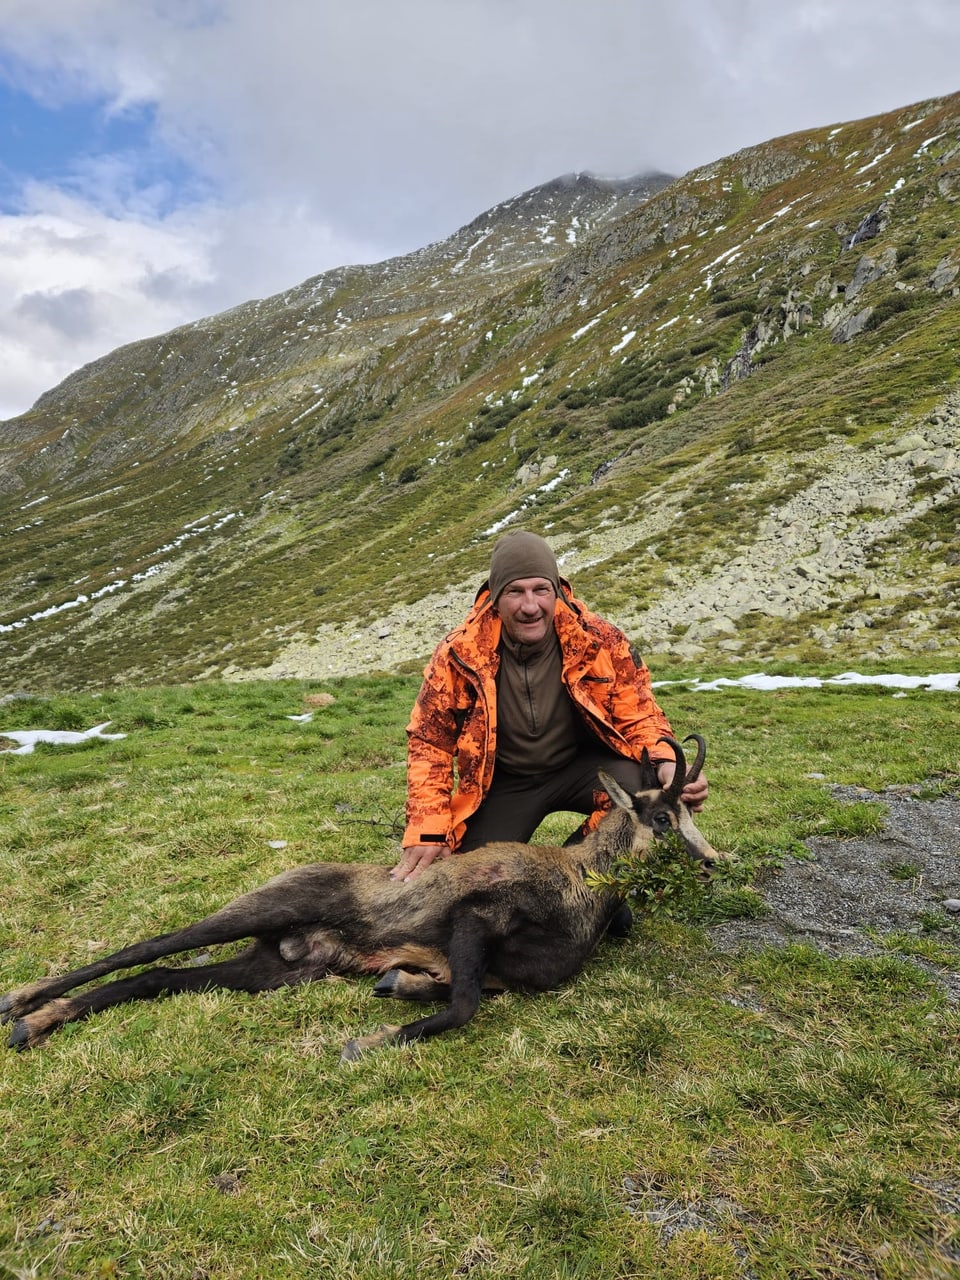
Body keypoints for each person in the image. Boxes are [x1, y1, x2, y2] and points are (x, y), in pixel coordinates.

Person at [391, 529, 707, 882]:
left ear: (556, 591)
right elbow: (428, 741)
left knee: (640, 791)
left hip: (583, 769)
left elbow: (640, 712)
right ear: (495, 598)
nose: (530, 606)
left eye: (541, 589)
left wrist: (665, 762)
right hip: (505, 783)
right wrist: (427, 828)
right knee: (467, 882)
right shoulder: (461, 653)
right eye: (515, 591)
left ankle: (582, 873)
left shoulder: (598, 638)